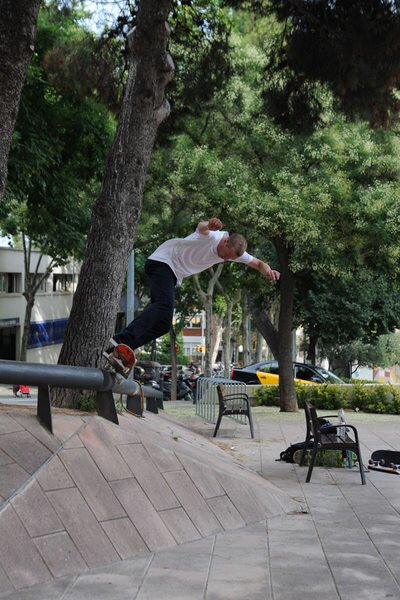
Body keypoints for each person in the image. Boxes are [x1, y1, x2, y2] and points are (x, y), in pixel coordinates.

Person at [105, 217, 280, 373]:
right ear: (225, 240)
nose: (223, 258)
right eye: (223, 254)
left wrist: (268, 270)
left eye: (227, 258)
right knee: (164, 306)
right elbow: (201, 227)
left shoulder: (233, 252)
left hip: (171, 274)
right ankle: (118, 340)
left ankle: (121, 351)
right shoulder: (212, 236)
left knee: (163, 324)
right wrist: (210, 224)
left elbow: (258, 263)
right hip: (163, 261)